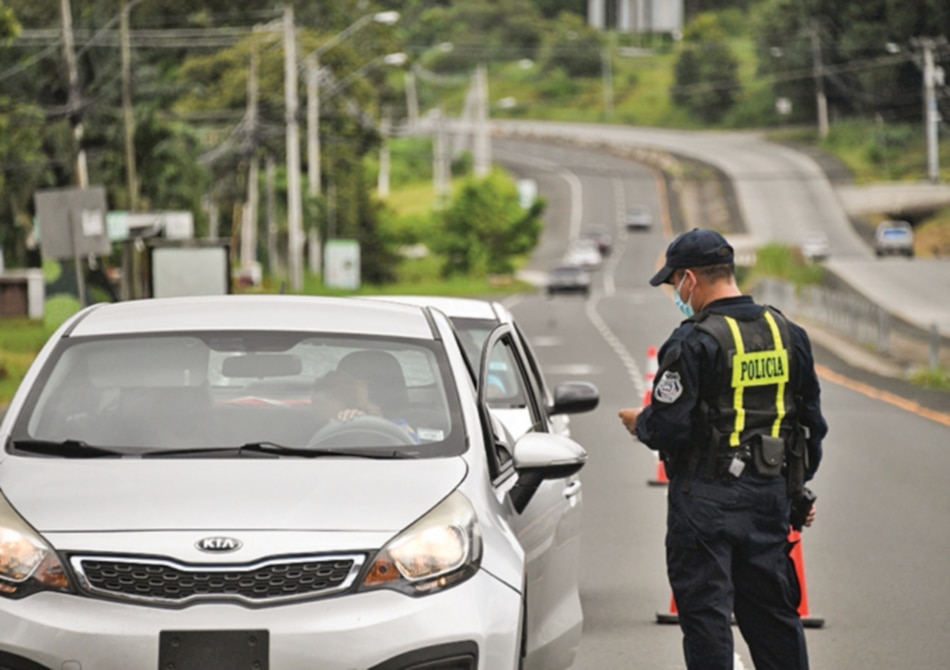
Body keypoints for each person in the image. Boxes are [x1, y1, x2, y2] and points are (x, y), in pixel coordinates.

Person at [618, 228, 827, 670]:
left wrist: (641, 424)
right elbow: (810, 425)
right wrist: (795, 490)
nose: (676, 294)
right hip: (769, 499)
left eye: (675, 284)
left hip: (704, 504)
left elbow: (668, 427)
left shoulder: (694, 341)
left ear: (690, 278)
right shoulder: (787, 333)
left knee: (707, 619)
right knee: (773, 617)